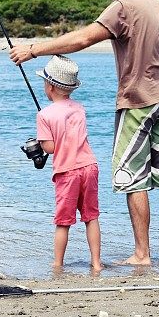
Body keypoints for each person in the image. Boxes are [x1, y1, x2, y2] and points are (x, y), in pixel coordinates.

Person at [10, 0, 159, 267]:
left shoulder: (122, 7)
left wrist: (33, 50)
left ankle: (142, 254)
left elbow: (82, 39)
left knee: (133, 178)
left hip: (137, 103)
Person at [34, 54, 102, 271]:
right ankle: (97, 263)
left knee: (63, 221)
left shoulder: (44, 115)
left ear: (50, 87)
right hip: (90, 167)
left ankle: (57, 264)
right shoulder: (79, 108)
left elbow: (51, 148)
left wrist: (39, 143)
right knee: (91, 216)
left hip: (67, 171)